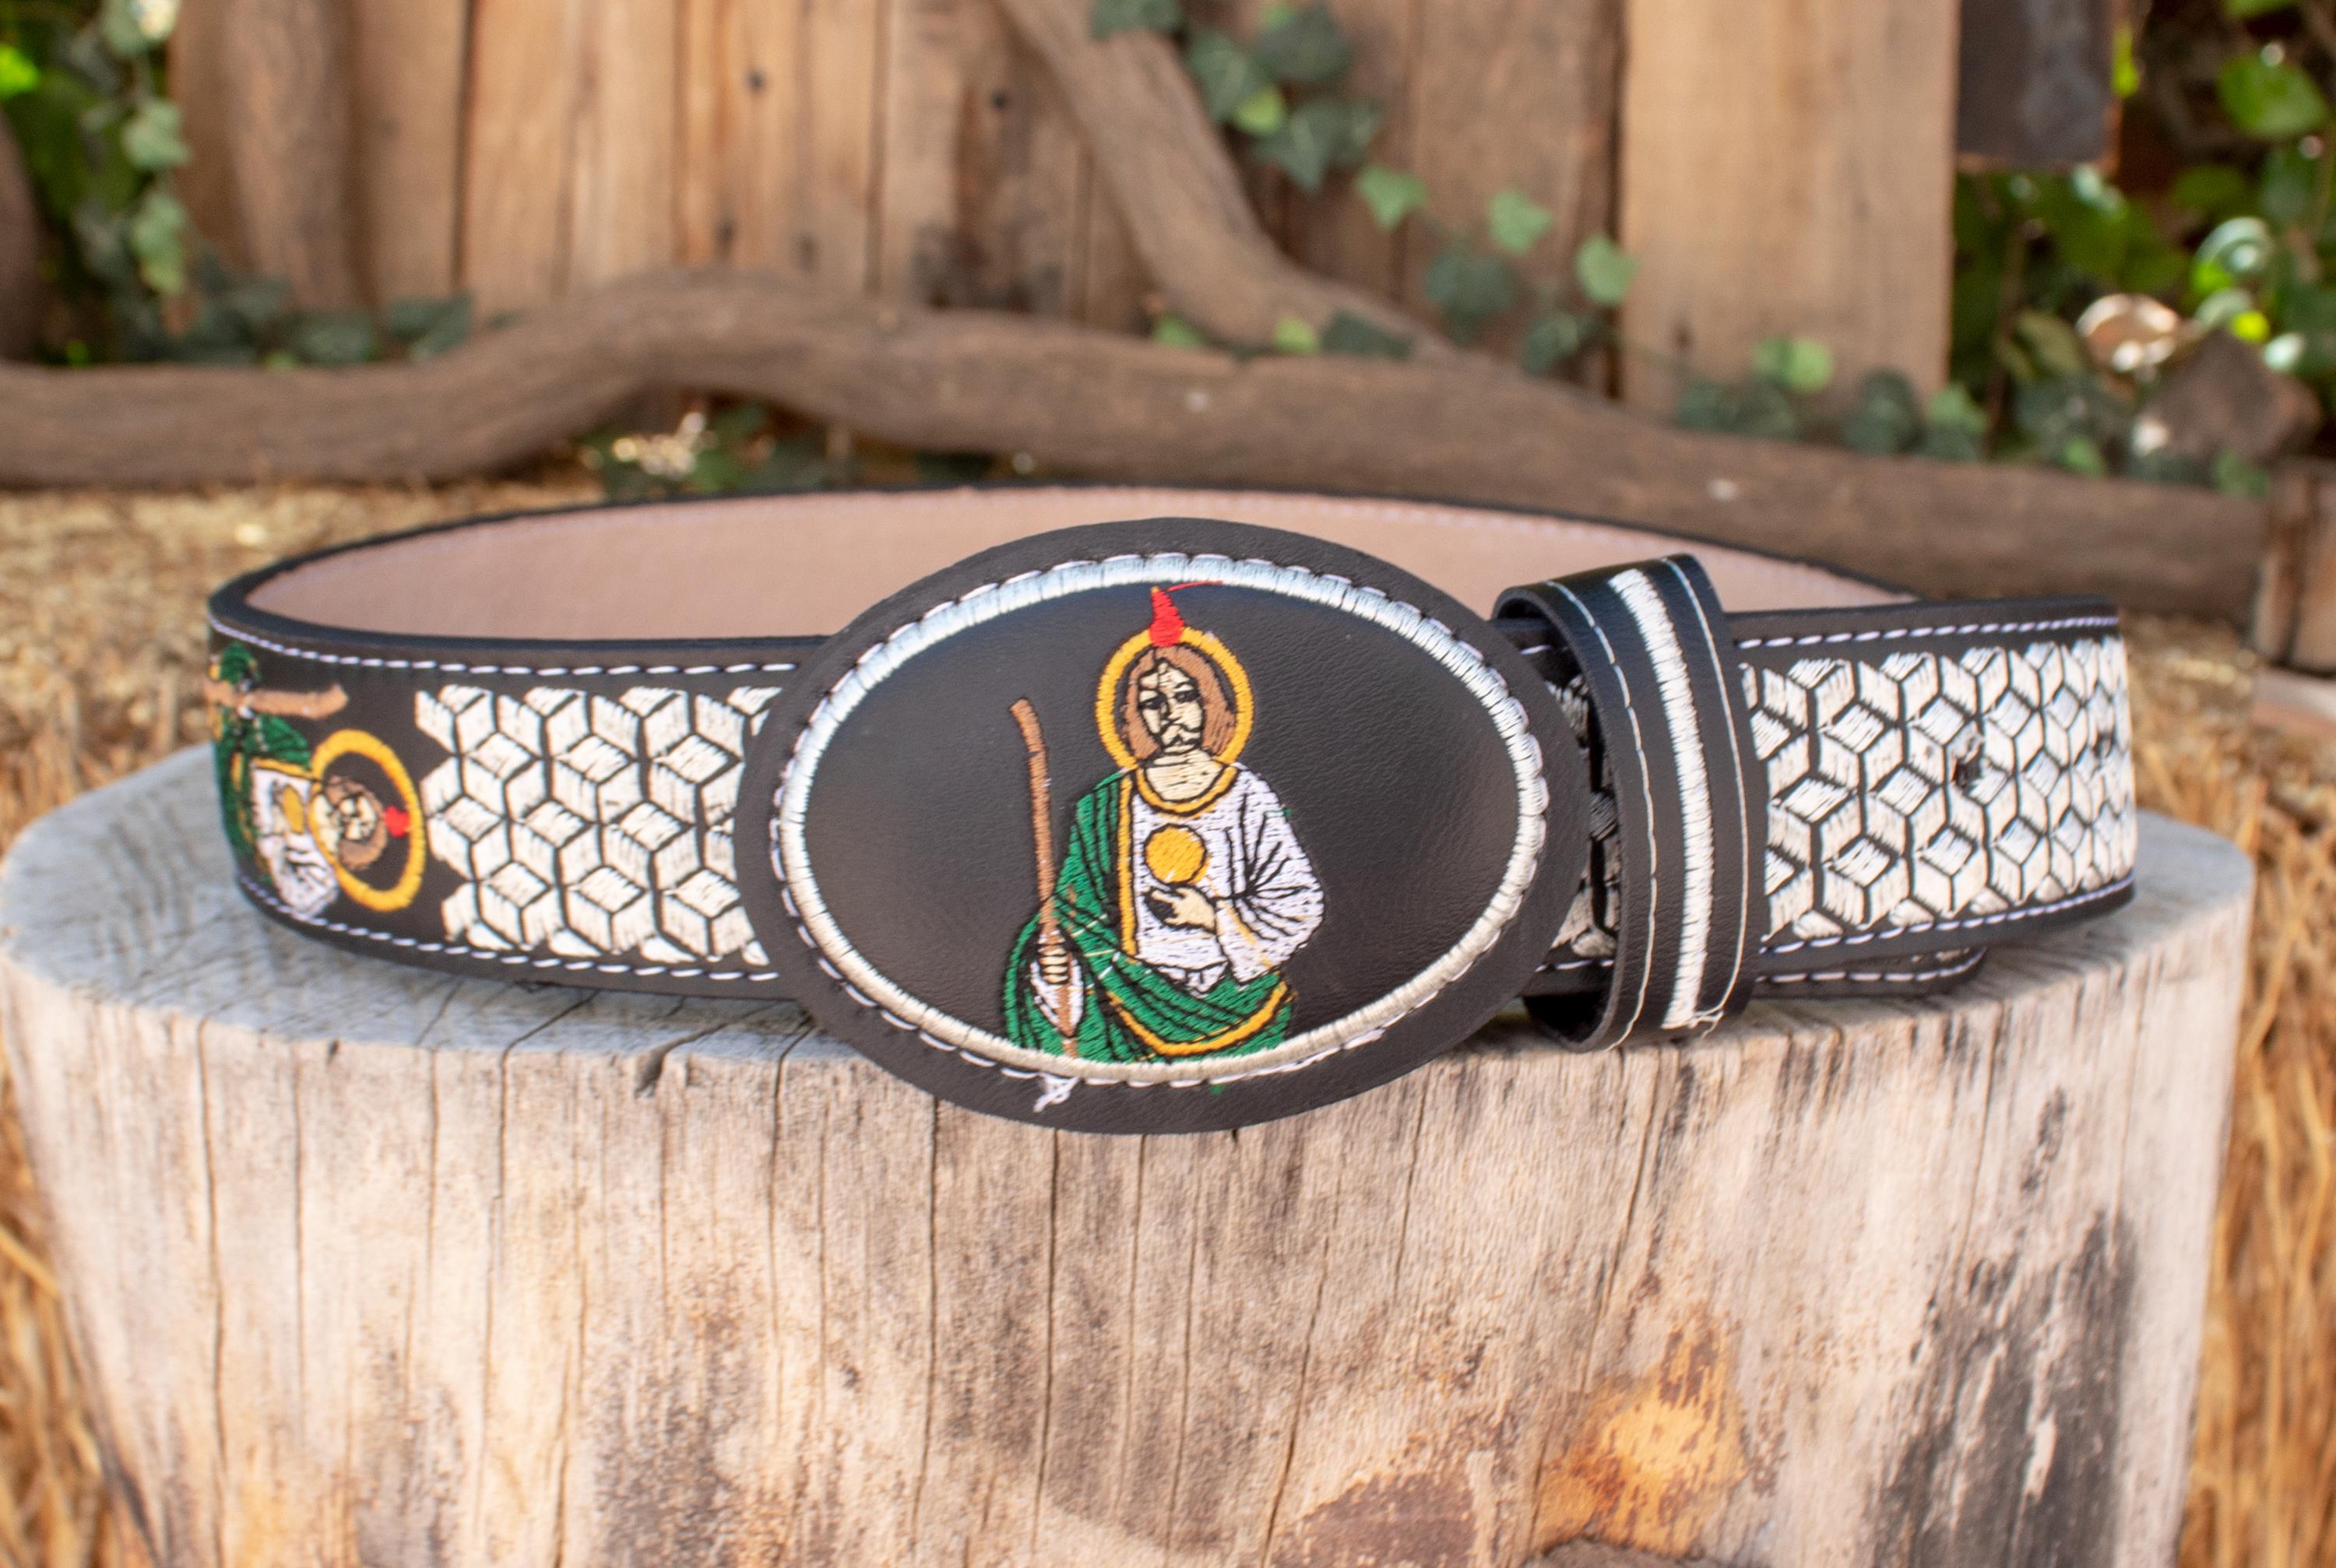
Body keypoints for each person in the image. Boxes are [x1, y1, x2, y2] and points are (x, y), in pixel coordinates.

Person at [1001, 589, 1323, 1063]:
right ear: (1135, 716)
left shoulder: (1246, 796)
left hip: (1238, 1002)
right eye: (1153, 702)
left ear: (1210, 702)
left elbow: (1296, 902)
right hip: (1125, 996)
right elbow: (1073, 914)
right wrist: (1057, 967)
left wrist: (1212, 916)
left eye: (1185, 696)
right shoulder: (1104, 805)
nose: (1170, 715)